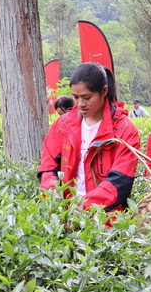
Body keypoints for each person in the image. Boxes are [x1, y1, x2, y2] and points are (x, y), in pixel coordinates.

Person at [38, 62, 141, 211]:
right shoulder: (63, 125)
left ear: (104, 91)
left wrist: (83, 209)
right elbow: (48, 166)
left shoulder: (124, 131)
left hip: (105, 219)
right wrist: (54, 199)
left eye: (87, 97)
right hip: (65, 216)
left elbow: (120, 181)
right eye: (75, 97)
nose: (80, 104)